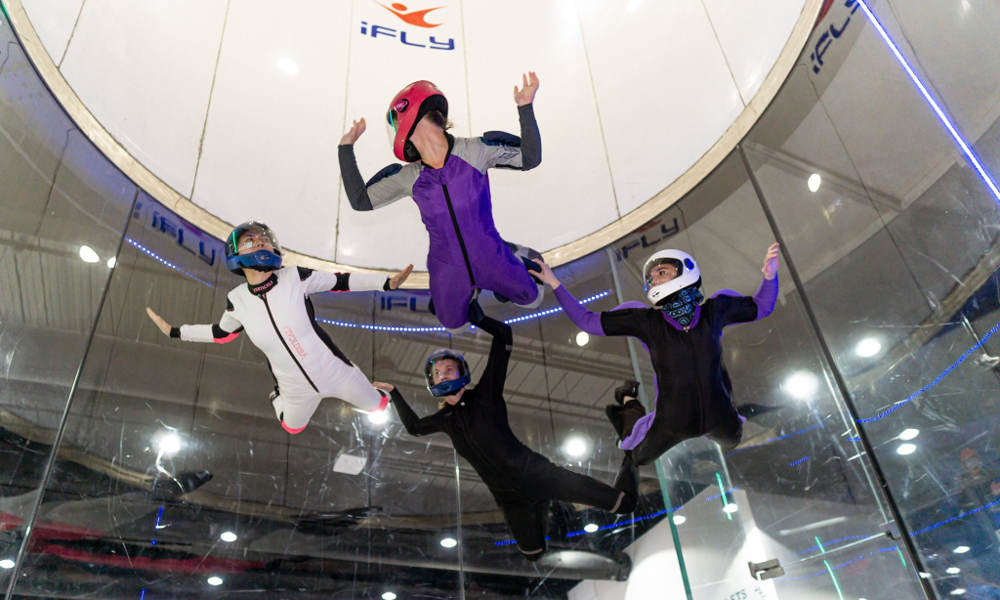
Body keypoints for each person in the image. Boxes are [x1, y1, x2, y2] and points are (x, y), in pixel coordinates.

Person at [374, 310, 637, 561]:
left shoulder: (485, 393)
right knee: (533, 554)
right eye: (437, 372)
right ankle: (545, 506)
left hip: (539, 474)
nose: (443, 374)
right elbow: (414, 427)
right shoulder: (445, 419)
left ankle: (631, 442)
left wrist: (476, 317)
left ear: (462, 372)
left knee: (624, 504)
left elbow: (503, 336)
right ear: (431, 380)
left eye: (449, 369)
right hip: (509, 497)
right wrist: (394, 392)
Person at [145, 221, 412, 435]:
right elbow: (221, 334)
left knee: (379, 405)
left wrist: (385, 283)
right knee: (292, 427)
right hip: (293, 387)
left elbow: (340, 281)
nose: (261, 242)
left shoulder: (294, 276)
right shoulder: (237, 300)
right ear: (235, 253)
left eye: (265, 239)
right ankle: (277, 396)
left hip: (335, 371)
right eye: (250, 241)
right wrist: (175, 332)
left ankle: (380, 392)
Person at [532, 243, 780, 470]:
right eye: (651, 278)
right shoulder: (646, 321)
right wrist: (555, 283)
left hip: (719, 416)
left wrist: (769, 276)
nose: (654, 280)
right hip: (672, 422)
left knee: (732, 441)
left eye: (661, 272)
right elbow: (588, 321)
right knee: (637, 458)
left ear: (685, 271)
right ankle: (629, 402)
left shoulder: (716, 310)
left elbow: (762, 306)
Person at [338, 73, 544, 330]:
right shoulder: (408, 177)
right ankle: (473, 294)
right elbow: (360, 200)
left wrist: (525, 107)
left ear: (410, 114)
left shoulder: (475, 151)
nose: (395, 130)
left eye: (395, 122)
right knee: (452, 324)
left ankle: (512, 253)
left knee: (532, 298)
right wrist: (345, 148)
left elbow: (530, 158)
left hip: (490, 254)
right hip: (447, 265)